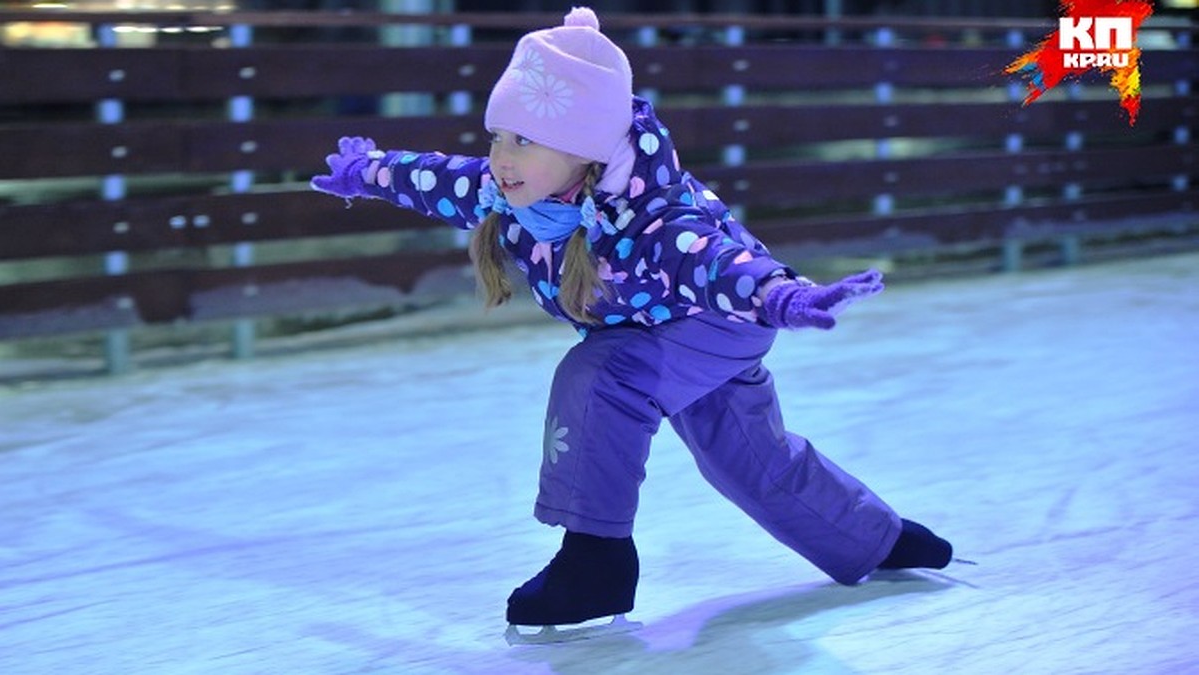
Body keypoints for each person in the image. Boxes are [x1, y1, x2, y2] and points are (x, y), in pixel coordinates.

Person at [312, 7, 953, 631]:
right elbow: (435, 178)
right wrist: (367, 172)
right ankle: (879, 540)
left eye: (525, 140)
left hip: (718, 314)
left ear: (585, 151)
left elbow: (713, 262)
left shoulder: (650, 219)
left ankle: (596, 561)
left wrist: (784, 296)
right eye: (499, 136)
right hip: (659, 322)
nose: (502, 156)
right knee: (748, 459)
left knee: (601, 379)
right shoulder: (511, 194)